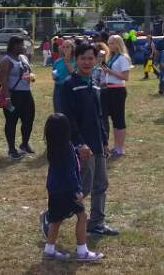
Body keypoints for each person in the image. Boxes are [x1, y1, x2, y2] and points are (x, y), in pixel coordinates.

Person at [58, 42, 119, 237]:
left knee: (101, 184)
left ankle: (96, 223)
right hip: (82, 146)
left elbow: (99, 115)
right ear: (75, 60)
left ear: (96, 60)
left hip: (97, 143)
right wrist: (79, 143)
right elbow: (68, 118)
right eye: (82, 58)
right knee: (83, 188)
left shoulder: (94, 83)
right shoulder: (69, 85)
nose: (86, 62)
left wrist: (104, 140)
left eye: (90, 58)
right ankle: (52, 216)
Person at [39, 113, 103, 263]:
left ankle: (49, 250)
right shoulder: (66, 148)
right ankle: (82, 251)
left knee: (56, 220)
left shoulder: (53, 148)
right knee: (82, 216)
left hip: (54, 190)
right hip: (68, 190)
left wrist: (75, 151)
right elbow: (70, 173)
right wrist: (77, 190)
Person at [0, 36, 35, 160]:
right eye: (21, 45)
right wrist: (7, 98)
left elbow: (28, 71)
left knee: (29, 119)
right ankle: (11, 149)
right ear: (14, 46)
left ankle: (24, 144)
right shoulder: (6, 61)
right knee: (11, 121)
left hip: (26, 93)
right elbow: (3, 81)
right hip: (13, 95)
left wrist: (31, 76)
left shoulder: (23, 58)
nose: (24, 47)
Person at [101, 35, 131, 157]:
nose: (110, 45)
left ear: (118, 44)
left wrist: (109, 71)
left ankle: (121, 147)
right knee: (113, 119)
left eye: (112, 43)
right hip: (108, 89)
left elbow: (125, 77)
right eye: (109, 43)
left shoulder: (123, 58)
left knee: (119, 119)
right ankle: (116, 146)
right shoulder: (112, 57)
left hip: (118, 90)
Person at [51, 39, 75, 113]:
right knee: (59, 111)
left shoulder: (76, 60)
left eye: (68, 47)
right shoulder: (58, 61)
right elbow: (54, 72)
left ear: (72, 48)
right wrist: (54, 76)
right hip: (58, 88)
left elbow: (74, 74)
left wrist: (67, 61)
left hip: (71, 88)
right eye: (63, 47)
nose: (65, 49)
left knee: (70, 111)